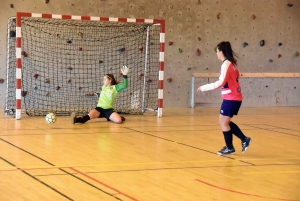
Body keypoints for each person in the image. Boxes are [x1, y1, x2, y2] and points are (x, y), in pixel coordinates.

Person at [197, 41, 251, 155]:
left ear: (221, 51)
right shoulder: (232, 64)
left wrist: (204, 87)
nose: (216, 53)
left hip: (232, 98)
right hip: (233, 97)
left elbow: (220, 82)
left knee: (223, 122)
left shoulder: (226, 64)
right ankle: (238, 142)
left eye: (217, 51)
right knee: (224, 122)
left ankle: (234, 145)